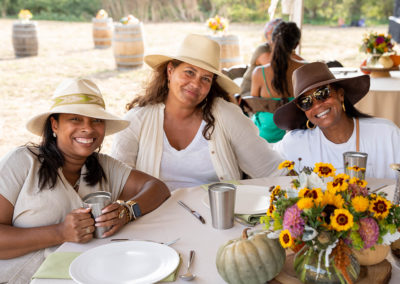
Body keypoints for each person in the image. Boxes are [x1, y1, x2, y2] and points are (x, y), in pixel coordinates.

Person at [0, 78, 170, 282]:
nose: (88, 128)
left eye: (96, 120)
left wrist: (127, 211)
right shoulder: (23, 161)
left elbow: (158, 188)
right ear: (54, 124)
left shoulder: (104, 166)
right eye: (75, 119)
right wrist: (59, 232)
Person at [111, 34, 284, 191]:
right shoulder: (137, 120)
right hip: (155, 219)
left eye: (205, 78)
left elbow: (270, 169)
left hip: (217, 219)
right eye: (189, 72)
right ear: (170, 71)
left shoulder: (226, 115)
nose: (195, 84)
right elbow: (115, 180)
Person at [273, 62, 400, 179]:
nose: (317, 105)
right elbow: (267, 168)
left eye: (322, 93)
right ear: (303, 110)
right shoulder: (295, 143)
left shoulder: (386, 134)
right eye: (306, 102)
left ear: (340, 94)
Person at [250, 21, 305, 143]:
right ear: (296, 44)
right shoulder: (306, 68)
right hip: (298, 131)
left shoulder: (259, 73)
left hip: (267, 134)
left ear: (271, 41)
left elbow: (254, 106)